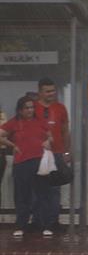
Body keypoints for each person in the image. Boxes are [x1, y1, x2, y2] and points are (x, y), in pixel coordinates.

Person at [0, 96, 52, 237]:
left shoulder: (40, 121)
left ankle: (44, 225)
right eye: (27, 108)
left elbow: (50, 135)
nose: (30, 110)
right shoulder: (14, 123)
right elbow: (1, 135)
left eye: (32, 107)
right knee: (22, 196)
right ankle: (21, 225)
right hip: (21, 162)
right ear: (20, 110)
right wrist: (13, 146)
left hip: (39, 162)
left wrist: (48, 141)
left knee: (42, 194)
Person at [33, 78, 69, 235]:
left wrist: (67, 151)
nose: (51, 94)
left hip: (57, 152)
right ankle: (37, 221)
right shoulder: (32, 107)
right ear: (40, 91)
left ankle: (53, 221)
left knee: (55, 189)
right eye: (47, 91)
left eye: (53, 90)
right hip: (36, 154)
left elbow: (65, 131)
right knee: (37, 188)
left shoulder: (60, 108)